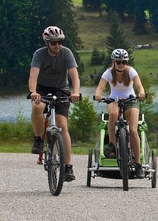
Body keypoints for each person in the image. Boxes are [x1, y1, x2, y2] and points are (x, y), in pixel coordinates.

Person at [28, 26, 81, 182]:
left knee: (62, 126)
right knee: (37, 106)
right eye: (53, 43)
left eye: (59, 42)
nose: (57, 45)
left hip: (61, 89)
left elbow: (75, 77)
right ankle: (38, 139)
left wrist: (75, 92)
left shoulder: (67, 53)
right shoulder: (39, 54)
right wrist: (33, 92)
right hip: (42, 89)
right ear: (47, 43)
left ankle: (68, 167)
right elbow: (33, 76)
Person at [93, 48, 147, 177]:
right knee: (112, 114)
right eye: (118, 62)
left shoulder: (131, 71)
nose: (121, 64)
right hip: (114, 100)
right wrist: (98, 95)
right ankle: (112, 143)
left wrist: (141, 93)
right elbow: (100, 87)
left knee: (133, 130)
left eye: (123, 62)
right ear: (114, 62)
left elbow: (139, 85)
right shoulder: (108, 73)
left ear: (126, 62)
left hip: (130, 100)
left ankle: (138, 164)